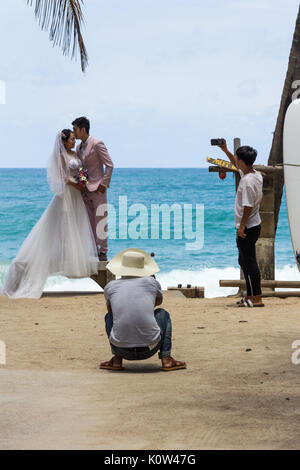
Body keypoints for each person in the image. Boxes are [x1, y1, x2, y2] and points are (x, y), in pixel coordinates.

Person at [1, 130, 99, 299]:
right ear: (64, 141)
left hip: (77, 195)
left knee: (76, 223)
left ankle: (71, 255)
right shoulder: (61, 157)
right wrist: (78, 185)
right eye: (71, 139)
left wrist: (83, 180)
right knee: (62, 223)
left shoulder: (75, 153)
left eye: (74, 139)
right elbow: (64, 177)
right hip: (68, 194)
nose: (74, 141)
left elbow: (81, 170)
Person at [100, 248, 187, 371]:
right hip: (150, 348)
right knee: (163, 314)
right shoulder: (151, 282)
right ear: (143, 267)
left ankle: (117, 360)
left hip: (121, 349)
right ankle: (166, 358)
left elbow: (110, 309)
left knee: (109, 316)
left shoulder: (111, 286)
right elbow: (158, 302)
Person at [218, 140, 264, 307]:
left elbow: (247, 206)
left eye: (237, 158)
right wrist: (225, 150)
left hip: (248, 227)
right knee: (243, 261)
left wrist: (242, 227)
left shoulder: (246, 182)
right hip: (254, 224)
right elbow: (236, 164)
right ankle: (251, 295)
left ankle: (256, 298)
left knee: (249, 262)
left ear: (242, 161)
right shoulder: (254, 174)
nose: (235, 160)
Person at [72, 117, 114, 261]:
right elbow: (82, 168)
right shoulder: (78, 148)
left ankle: (103, 251)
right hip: (85, 190)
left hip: (98, 189)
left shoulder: (97, 144)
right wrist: (82, 183)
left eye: (75, 129)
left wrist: (104, 184)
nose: (74, 132)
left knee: (101, 221)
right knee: (90, 222)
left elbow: (110, 165)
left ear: (83, 129)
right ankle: (93, 250)